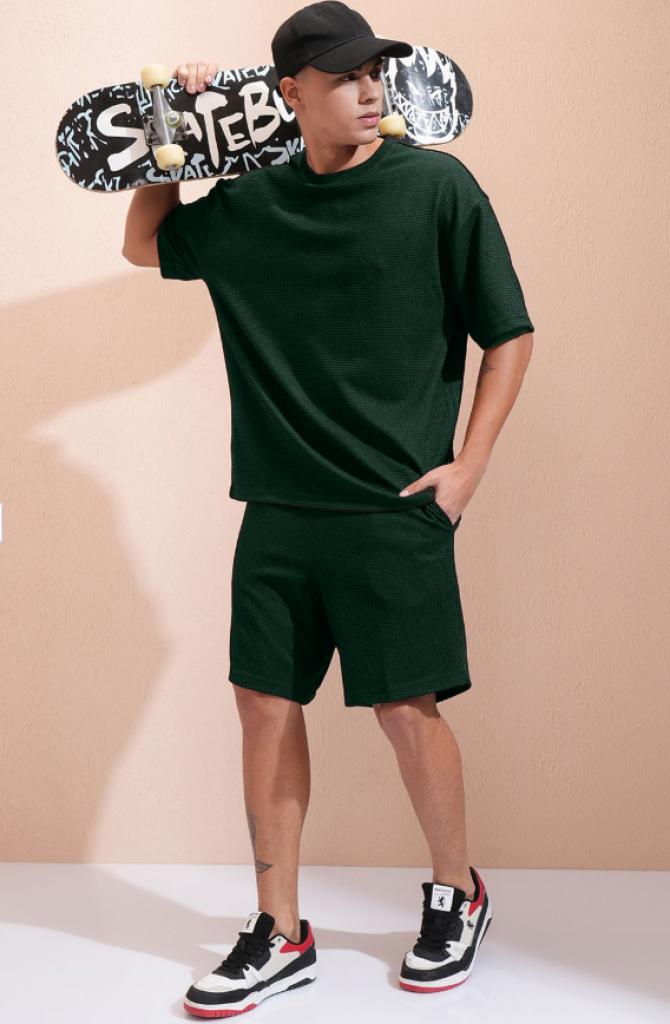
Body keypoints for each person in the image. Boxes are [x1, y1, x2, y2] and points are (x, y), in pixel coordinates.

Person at [122, 1, 534, 1015]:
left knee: (406, 710)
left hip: (394, 509)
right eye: (344, 76)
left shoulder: (436, 187)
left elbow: (509, 331)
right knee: (264, 705)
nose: (367, 89)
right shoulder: (252, 203)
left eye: (374, 72)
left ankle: (456, 892)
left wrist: (468, 467)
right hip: (277, 507)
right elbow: (146, 243)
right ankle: (280, 928)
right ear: (291, 94)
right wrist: (175, 130)